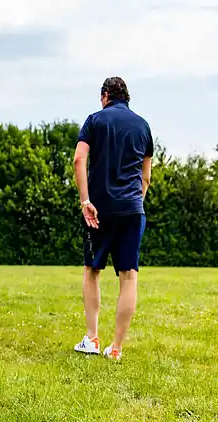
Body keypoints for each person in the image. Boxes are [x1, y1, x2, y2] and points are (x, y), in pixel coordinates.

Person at [72, 77, 154, 361]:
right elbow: (146, 177)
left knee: (92, 270)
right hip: (133, 208)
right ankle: (116, 348)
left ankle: (93, 339)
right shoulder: (143, 126)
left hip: (100, 209)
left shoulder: (95, 120)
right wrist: (134, 203)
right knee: (128, 276)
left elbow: (79, 160)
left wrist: (85, 201)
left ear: (105, 95)